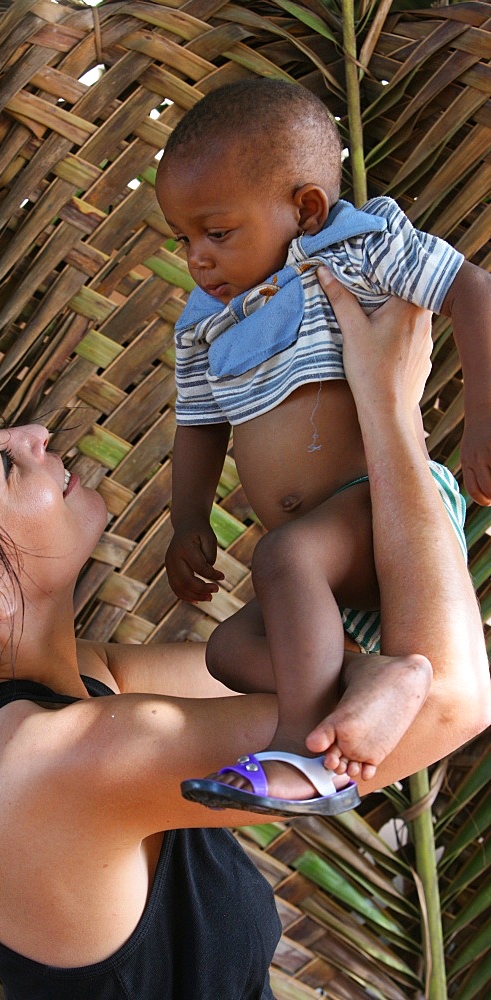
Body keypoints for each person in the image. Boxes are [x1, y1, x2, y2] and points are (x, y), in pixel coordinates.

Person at [0, 282, 488, 1000]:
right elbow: (452, 701)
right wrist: (390, 412)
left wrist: (368, 679)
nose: (34, 435)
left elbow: (328, 676)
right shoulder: (60, 763)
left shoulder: (58, 693)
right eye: (6, 463)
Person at [154, 79, 491, 815]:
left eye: (217, 232)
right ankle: (378, 677)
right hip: (331, 575)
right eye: (183, 239)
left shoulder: (354, 249)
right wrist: (187, 521)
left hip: (384, 506)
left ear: (303, 208)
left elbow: (472, 287)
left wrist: (486, 418)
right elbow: (199, 423)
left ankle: (304, 750)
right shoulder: (202, 323)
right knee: (229, 650)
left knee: (283, 556)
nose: (197, 261)